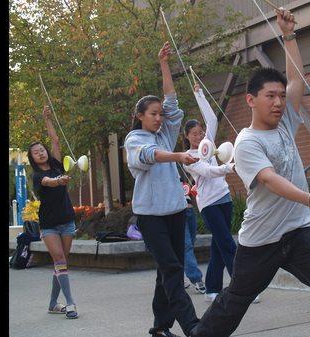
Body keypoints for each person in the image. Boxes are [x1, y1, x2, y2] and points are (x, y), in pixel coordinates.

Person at [190, 8, 310, 337]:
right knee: (235, 301)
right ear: (251, 100)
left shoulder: (285, 119)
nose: (278, 102)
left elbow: (296, 80)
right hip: (261, 239)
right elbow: (270, 180)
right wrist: (308, 198)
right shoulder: (246, 143)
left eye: (280, 96)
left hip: (300, 231)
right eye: (269, 96)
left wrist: (289, 35)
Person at [124, 41, 200, 337]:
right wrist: (178, 156)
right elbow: (150, 156)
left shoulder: (165, 133)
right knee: (172, 270)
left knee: (166, 271)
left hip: (175, 212)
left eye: (159, 114)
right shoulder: (135, 139)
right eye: (152, 114)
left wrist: (164, 64)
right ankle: (193, 326)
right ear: (140, 115)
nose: (159, 117)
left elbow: (171, 101)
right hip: (151, 216)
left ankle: (159, 327)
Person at [183, 84, 259, 304]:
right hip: (208, 204)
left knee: (218, 246)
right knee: (227, 244)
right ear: (187, 137)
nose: (198, 137)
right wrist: (229, 167)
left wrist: (199, 94)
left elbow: (212, 120)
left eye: (200, 133)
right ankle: (242, 290)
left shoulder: (208, 144)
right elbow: (207, 172)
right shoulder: (188, 157)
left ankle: (212, 289)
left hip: (224, 198)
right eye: (194, 134)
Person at [27, 105, 78, 319]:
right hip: (48, 225)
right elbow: (48, 183)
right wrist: (59, 181)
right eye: (36, 152)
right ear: (32, 158)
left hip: (67, 220)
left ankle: (51, 303)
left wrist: (48, 119)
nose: (41, 152)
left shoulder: (57, 164)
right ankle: (70, 303)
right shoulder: (37, 176)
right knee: (59, 260)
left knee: (61, 263)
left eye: (42, 149)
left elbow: (55, 141)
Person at [179, 175, 207, 295]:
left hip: (190, 211)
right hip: (178, 212)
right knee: (186, 246)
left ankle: (177, 279)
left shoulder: (180, 170)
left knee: (188, 243)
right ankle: (197, 279)